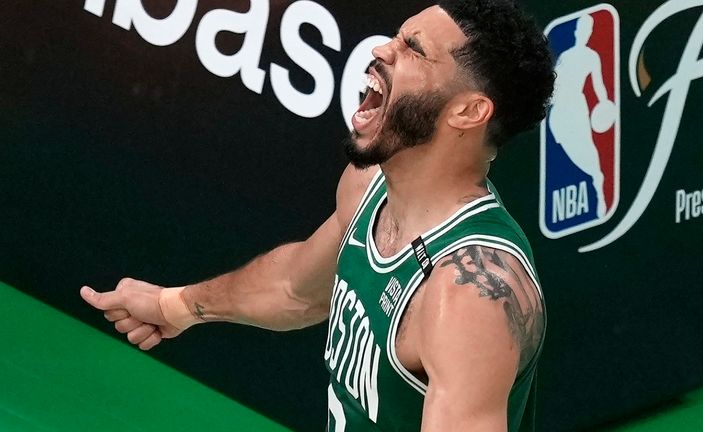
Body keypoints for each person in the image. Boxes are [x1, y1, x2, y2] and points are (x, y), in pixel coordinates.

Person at [80, 0, 554, 430]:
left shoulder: (470, 295)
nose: (382, 51)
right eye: (396, 35)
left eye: (413, 49)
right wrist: (174, 306)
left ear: (469, 111)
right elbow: (296, 290)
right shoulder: (369, 186)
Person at [548, 14, 614, 218]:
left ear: (589, 33)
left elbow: (599, 85)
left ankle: (600, 192)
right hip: (558, 112)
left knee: (590, 157)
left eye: (587, 31)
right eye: (580, 30)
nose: (583, 34)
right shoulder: (566, 56)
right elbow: (553, 85)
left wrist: (604, 103)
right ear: (576, 32)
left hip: (577, 108)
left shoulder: (591, 57)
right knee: (567, 150)